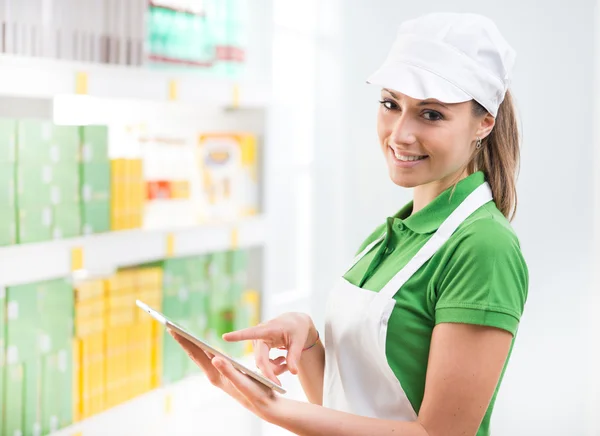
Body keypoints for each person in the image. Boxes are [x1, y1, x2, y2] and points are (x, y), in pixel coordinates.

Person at [171, 11, 528, 436]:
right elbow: (345, 406)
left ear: (484, 123)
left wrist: (273, 409)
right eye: (390, 104)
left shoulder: (483, 247)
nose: (399, 134)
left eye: (431, 115)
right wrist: (307, 344)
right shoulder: (387, 237)